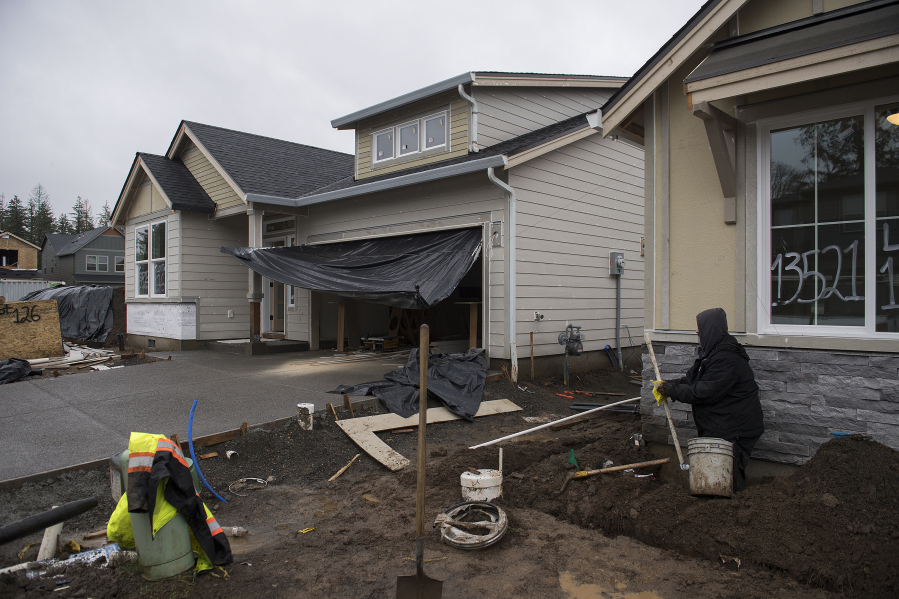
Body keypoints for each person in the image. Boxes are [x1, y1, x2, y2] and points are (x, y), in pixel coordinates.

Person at [655, 308, 764, 491]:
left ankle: (733, 507)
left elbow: (705, 391)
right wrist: (666, 385)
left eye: (699, 327)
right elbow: (690, 381)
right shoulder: (710, 354)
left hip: (735, 430)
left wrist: (671, 390)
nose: (697, 331)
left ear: (710, 328)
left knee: (730, 475)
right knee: (719, 476)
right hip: (722, 426)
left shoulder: (727, 359)